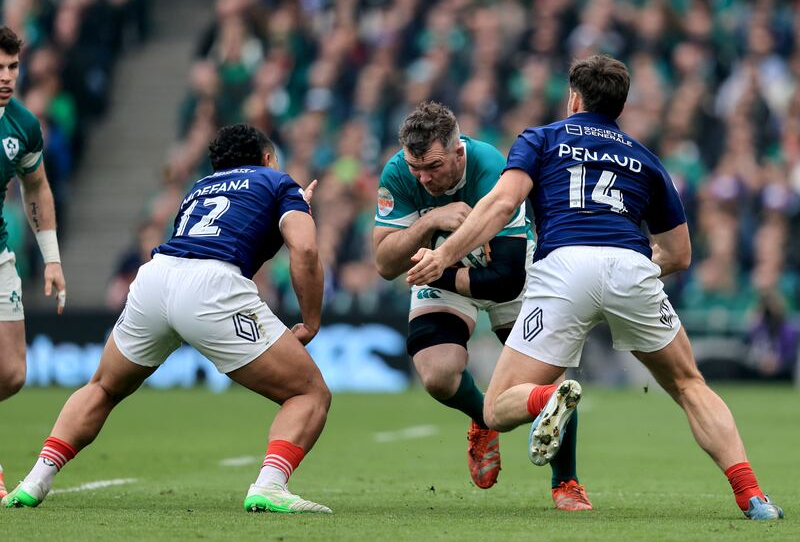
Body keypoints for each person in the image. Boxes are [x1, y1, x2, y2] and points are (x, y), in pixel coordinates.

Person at [407, 55, 784, 521]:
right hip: (631, 266)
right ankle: (753, 497)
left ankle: (548, 398)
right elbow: (680, 254)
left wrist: (444, 254)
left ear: (574, 98)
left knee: (497, 408)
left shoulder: (541, 138)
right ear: (619, 107)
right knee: (690, 385)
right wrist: (634, 274)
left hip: (564, 269)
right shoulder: (644, 158)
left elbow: (501, 205)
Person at [3, 124, 332, 514]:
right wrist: (310, 321)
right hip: (212, 288)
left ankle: (36, 479)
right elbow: (306, 250)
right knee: (309, 392)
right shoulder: (279, 182)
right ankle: (270, 484)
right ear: (266, 158)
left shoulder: (200, 187)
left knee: (104, 387)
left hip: (156, 278)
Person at [374, 101, 590, 510]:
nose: (423, 178)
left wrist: (437, 270)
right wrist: (429, 221)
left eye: (433, 167)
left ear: (459, 153)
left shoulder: (491, 167)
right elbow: (385, 264)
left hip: (505, 275)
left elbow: (507, 277)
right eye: (415, 168)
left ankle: (566, 482)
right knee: (437, 375)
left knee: (550, 382)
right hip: (445, 268)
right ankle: (485, 419)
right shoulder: (398, 173)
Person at [0, 26, 67, 499]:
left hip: (0, 253)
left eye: (12, 66)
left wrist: (52, 259)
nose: (6, 76)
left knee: (12, 373)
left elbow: (36, 185)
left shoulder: (22, 124)